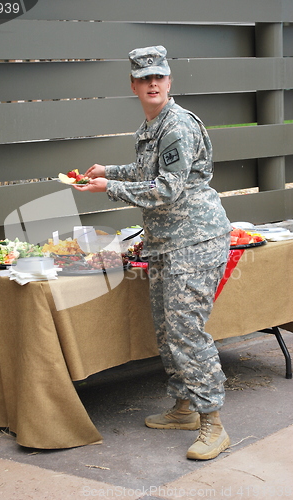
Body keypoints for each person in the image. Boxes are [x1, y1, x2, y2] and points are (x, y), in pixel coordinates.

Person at [73, 45, 232, 460]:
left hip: (194, 242)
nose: (153, 83)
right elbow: (150, 172)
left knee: (186, 333)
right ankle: (183, 407)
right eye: (144, 78)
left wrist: (108, 188)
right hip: (167, 243)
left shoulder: (176, 125)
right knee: (167, 330)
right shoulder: (153, 125)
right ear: (133, 84)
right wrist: (109, 171)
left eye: (159, 76)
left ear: (169, 80)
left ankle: (213, 423)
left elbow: (167, 188)